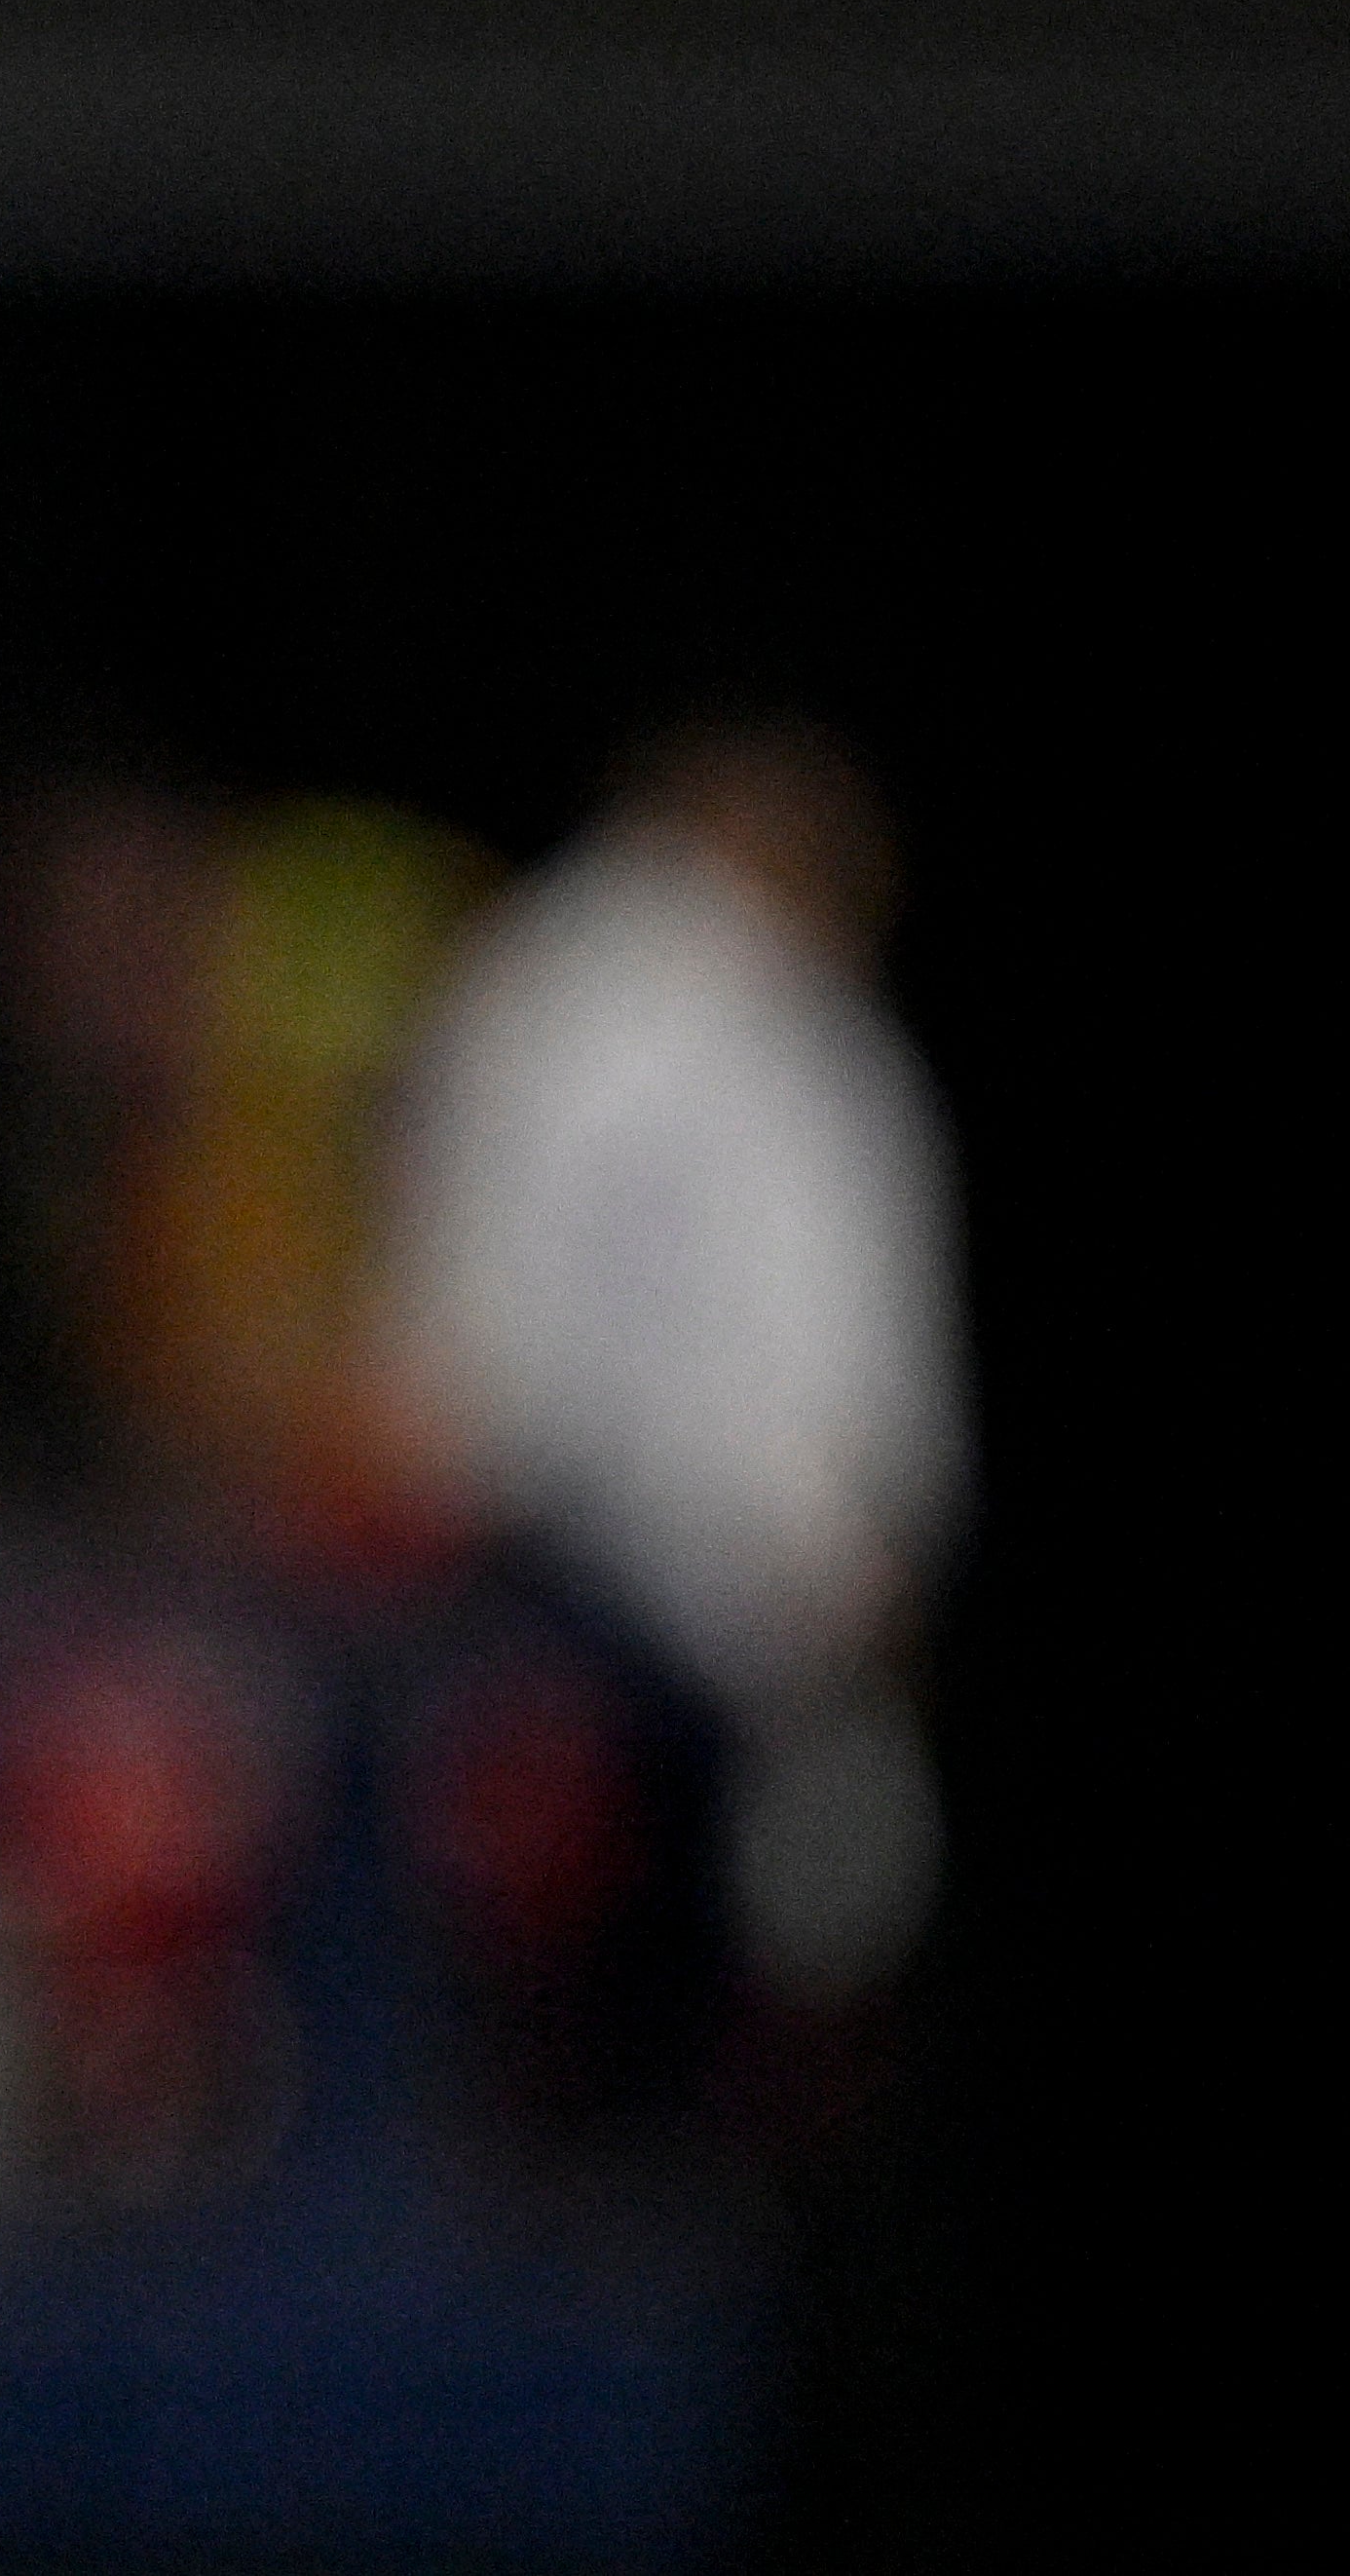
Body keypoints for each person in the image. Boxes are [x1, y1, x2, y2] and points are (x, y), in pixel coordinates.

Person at [391, 717, 964, 2004]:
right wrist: (814, 1535)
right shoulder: (675, 1013)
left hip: (662, 1580)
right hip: (651, 1593)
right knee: (674, 2004)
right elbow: (758, 1336)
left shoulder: (572, 989)